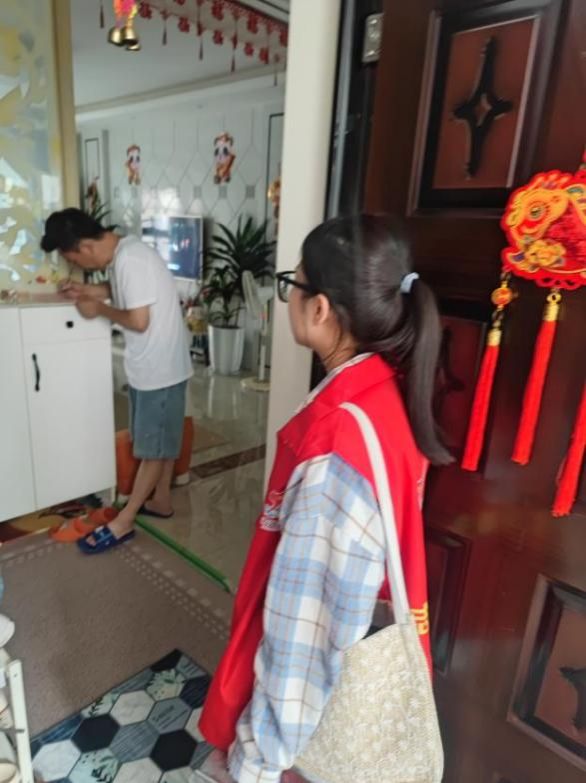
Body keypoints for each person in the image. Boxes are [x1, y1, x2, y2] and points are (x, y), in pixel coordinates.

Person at [195, 214, 452, 783]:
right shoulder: (385, 390)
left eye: (293, 283)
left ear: (319, 309)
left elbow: (302, 640)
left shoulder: (336, 447)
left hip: (305, 733)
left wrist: (255, 762)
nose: (287, 297)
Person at [40, 209, 193, 554]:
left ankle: (125, 520)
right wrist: (88, 290)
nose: (77, 264)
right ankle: (161, 501)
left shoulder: (130, 260)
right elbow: (123, 291)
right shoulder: (125, 254)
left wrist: (98, 309)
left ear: (82, 248)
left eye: (72, 260)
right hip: (155, 367)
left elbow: (138, 320)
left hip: (160, 371)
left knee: (153, 450)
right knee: (161, 441)